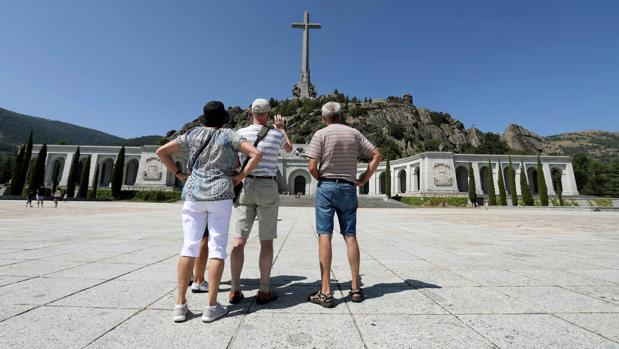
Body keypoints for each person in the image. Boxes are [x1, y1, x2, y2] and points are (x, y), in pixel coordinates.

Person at [156, 101, 262, 323]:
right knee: (217, 248)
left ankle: (180, 305)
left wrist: (179, 173)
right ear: (223, 118)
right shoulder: (230, 135)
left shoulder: (192, 134)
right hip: (220, 194)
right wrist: (239, 177)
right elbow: (255, 154)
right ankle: (211, 306)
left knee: (189, 246)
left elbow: (161, 151)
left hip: (193, 193)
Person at [305, 101, 382, 308]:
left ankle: (326, 292)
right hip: (349, 188)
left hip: (327, 187)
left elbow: (312, 166)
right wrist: (364, 178)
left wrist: (322, 177)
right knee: (350, 236)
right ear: (341, 116)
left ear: (323, 118)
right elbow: (376, 154)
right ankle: (356, 288)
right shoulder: (354, 133)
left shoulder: (320, 135)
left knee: (324, 235)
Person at [228, 98, 293, 305]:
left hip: (246, 185)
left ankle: (235, 289)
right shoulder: (275, 134)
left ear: (251, 114)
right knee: (266, 241)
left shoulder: (239, 133)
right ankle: (264, 290)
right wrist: (282, 129)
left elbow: (235, 161)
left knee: (239, 240)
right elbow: (289, 149)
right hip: (267, 187)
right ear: (268, 115)